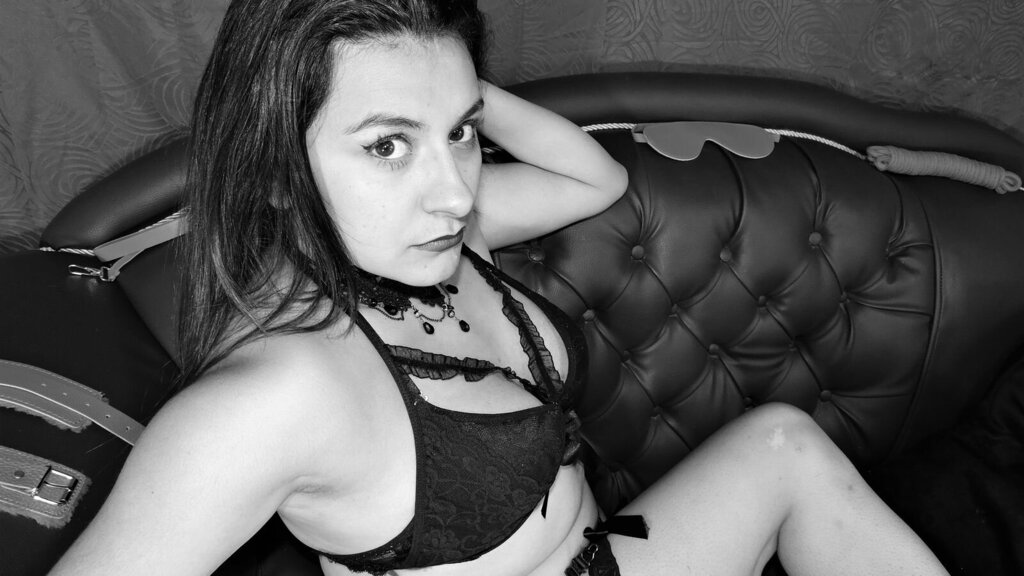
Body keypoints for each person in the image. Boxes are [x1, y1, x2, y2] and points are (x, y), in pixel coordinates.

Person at [48, 1, 950, 575]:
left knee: (786, 445)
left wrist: (437, 87)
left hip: (602, 561)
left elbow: (593, 180)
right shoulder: (276, 396)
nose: (452, 191)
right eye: (387, 145)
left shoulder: (439, 238)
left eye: (462, 135)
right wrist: (430, 98)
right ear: (278, 168)